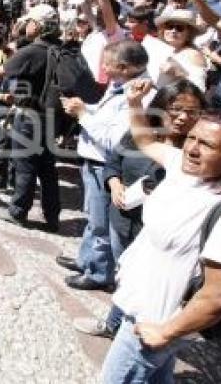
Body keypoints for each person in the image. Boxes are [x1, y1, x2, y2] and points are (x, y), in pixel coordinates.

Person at [101, 80, 221, 383]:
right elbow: (146, 141)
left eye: (207, 144)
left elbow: (218, 297)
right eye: (192, 138)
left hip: (156, 322)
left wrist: (167, 332)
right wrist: (135, 104)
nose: (192, 148)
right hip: (138, 305)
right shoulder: (184, 166)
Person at [72, 79, 206, 339]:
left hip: (156, 231)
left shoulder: (195, 150)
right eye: (176, 108)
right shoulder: (142, 132)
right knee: (125, 275)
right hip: (122, 218)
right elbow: (113, 161)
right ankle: (116, 325)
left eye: (192, 112)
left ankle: (130, 332)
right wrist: (114, 184)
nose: (182, 117)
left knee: (147, 284)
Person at [56, 40, 150, 291]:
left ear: (125, 67)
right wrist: (86, 108)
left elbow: (114, 139)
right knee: (92, 217)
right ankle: (86, 260)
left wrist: (83, 115)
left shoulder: (139, 95)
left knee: (100, 222)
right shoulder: (121, 85)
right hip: (93, 159)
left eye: (107, 64)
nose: (103, 69)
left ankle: (98, 273)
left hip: (103, 163)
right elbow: (106, 115)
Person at [0, 3, 62, 232]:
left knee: (25, 165)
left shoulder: (33, 50)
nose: (26, 24)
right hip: (52, 116)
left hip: (30, 116)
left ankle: (18, 211)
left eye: (30, 21)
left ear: (39, 26)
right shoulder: (62, 49)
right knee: (48, 168)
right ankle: (52, 216)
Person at [154, 8, 208, 91]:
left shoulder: (193, 55)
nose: (173, 31)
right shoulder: (157, 47)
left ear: (189, 34)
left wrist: (178, 73)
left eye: (180, 28)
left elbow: (199, 89)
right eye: (170, 26)